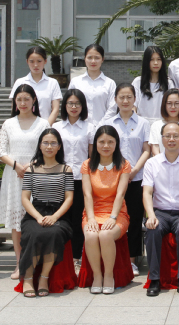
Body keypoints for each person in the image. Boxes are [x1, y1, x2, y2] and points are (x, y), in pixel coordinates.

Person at [143, 122, 179, 297]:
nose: (171, 139)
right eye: (167, 136)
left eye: (176, 136)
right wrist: (151, 216)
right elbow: (147, 192)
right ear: (161, 139)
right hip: (160, 212)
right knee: (152, 230)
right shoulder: (152, 163)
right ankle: (154, 280)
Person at [0, 84, 50, 280]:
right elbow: (1, 151)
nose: (23, 103)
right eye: (19, 99)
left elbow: (48, 147)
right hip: (13, 177)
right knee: (17, 223)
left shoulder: (43, 124)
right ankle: (20, 263)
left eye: (26, 99)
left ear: (34, 100)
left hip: (37, 175)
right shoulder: (8, 124)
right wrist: (16, 166)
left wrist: (30, 165)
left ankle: (37, 262)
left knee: (37, 218)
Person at [18, 129, 74, 297]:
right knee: (34, 233)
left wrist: (55, 217)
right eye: (46, 143)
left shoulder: (66, 169)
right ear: (40, 146)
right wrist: (38, 217)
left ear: (59, 146)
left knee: (54, 233)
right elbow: (25, 198)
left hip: (58, 213)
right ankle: (28, 279)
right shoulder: (31, 169)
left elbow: (69, 198)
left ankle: (44, 278)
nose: (49, 146)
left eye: (53, 143)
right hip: (35, 213)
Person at [102, 83, 151, 277]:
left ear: (134, 99)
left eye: (129, 97)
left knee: (135, 219)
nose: (125, 101)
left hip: (136, 178)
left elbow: (146, 150)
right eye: (121, 97)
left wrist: (134, 170)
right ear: (115, 99)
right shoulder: (109, 124)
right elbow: (105, 149)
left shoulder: (143, 123)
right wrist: (120, 172)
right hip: (113, 179)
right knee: (113, 218)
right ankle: (114, 258)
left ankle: (132, 260)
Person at [81, 126, 132, 294]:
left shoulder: (123, 165)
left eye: (110, 142)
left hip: (117, 212)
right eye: (101, 141)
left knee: (105, 234)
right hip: (93, 212)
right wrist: (91, 218)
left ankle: (109, 275)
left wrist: (113, 217)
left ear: (116, 144)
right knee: (91, 235)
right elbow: (87, 194)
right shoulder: (87, 165)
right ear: (95, 143)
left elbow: (120, 194)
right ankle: (97, 276)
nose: (106, 145)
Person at [52, 89, 96, 272]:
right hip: (60, 177)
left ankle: (76, 257)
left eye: (77, 103)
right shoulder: (56, 127)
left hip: (80, 179)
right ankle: (61, 258)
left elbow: (92, 156)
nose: (74, 107)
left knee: (78, 219)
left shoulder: (89, 128)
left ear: (83, 106)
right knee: (61, 218)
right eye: (70, 103)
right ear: (65, 105)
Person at [10, 46, 62, 125]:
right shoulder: (19, 82)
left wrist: (45, 127)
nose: (35, 65)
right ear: (27, 62)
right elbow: (14, 107)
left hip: (45, 127)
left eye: (39, 61)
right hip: (23, 127)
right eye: (32, 61)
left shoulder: (52, 83)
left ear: (45, 61)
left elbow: (55, 110)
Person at [68, 44, 116, 125]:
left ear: (102, 59)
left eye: (97, 58)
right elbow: (69, 105)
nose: (93, 61)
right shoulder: (75, 82)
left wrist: (100, 126)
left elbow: (112, 109)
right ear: (85, 59)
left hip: (102, 128)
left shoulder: (110, 83)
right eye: (89, 57)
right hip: (79, 127)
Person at [133, 46, 175, 126]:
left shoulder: (168, 83)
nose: (156, 63)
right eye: (152, 59)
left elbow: (173, 105)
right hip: (141, 124)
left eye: (159, 59)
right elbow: (133, 106)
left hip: (163, 124)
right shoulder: (138, 82)